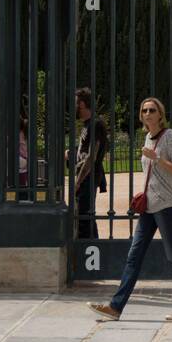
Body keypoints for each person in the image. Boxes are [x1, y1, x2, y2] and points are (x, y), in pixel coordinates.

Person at [89, 98, 172, 322]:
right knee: (133, 256)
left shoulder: (170, 137)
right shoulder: (147, 137)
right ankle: (115, 308)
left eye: (152, 110)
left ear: (160, 114)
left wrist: (158, 159)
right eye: (144, 110)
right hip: (149, 206)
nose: (148, 113)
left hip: (166, 205)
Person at [71, 88, 108, 239]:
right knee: (86, 216)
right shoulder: (88, 124)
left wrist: (78, 181)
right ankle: (93, 247)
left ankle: (87, 251)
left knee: (85, 218)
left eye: (75, 102)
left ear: (81, 104)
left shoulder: (96, 124)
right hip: (86, 176)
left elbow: (92, 156)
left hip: (88, 177)